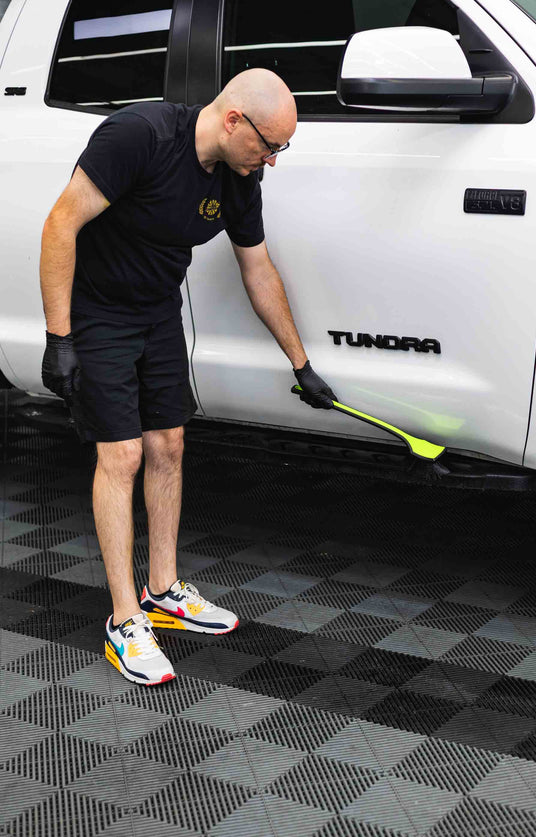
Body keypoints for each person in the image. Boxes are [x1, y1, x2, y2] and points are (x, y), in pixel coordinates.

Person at [39, 68, 336, 686]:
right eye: (269, 145)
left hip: (156, 313)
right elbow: (60, 224)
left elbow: (258, 271)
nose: (272, 160)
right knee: (120, 456)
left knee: (168, 445)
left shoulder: (237, 178)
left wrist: (300, 363)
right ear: (233, 121)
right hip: (98, 312)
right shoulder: (139, 136)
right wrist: (59, 338)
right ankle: (124, 621)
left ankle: (163, 589)